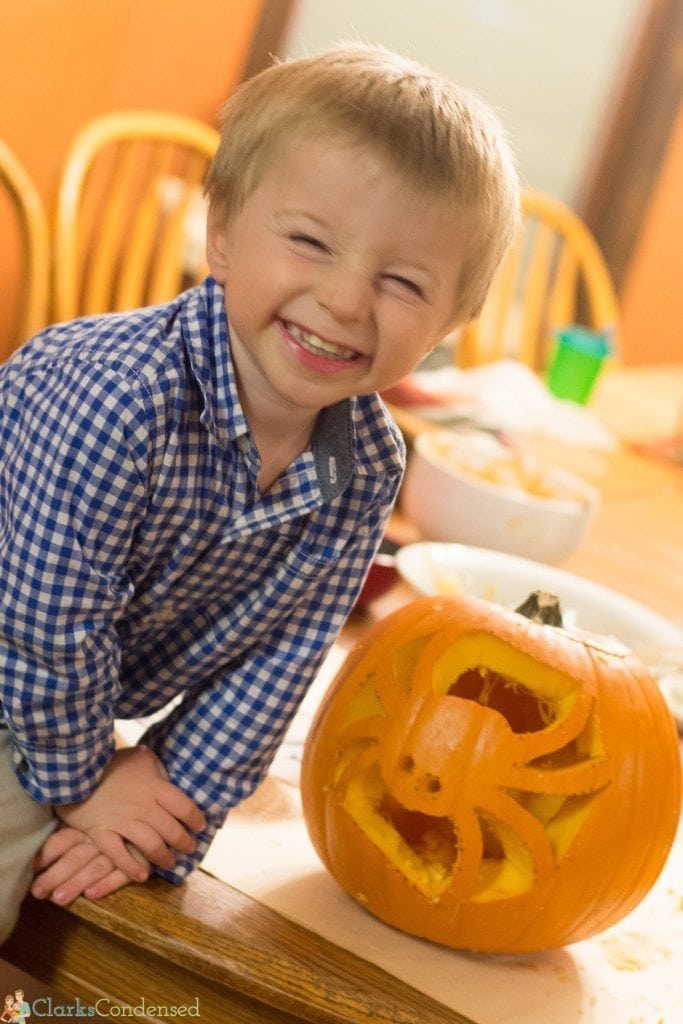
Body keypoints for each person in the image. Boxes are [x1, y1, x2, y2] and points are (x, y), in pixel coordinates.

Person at [0, 43, 520, 942]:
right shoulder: (116, 398)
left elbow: (281, 655)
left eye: (402, 282)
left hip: (55, 718)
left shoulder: (365, 463)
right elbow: (47, 631)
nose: (347, 299)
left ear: (448, 327)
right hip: (29, 683)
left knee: (142, 898)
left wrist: (172, 798)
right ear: (224, 234)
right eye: (310, 242)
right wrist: (87, 785)